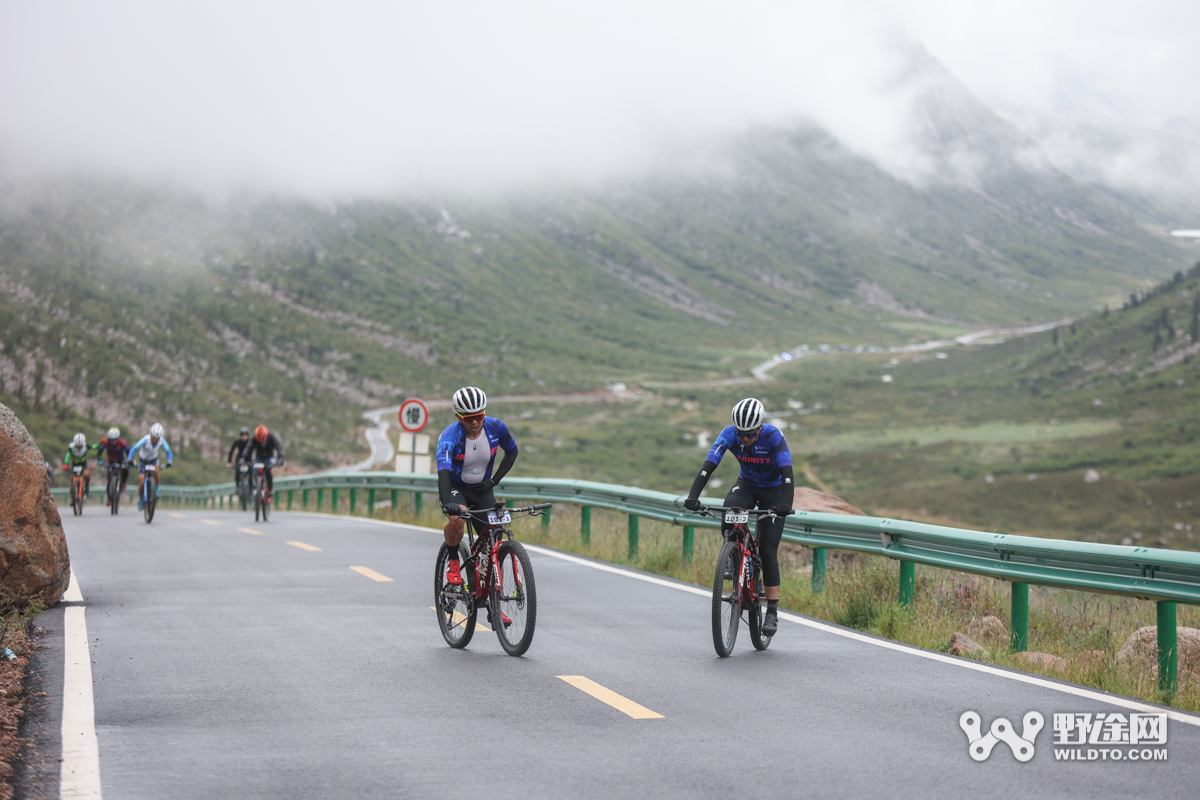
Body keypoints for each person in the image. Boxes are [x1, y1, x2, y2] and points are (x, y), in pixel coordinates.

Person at [684, 398, 794, 636]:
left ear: (760, 428)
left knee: (766, 550)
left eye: (751, 434)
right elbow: (708, 466)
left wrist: (786, 503)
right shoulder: (728, 434)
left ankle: (772, 610)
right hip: (746, 484)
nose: (745, 438)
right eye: (741, 433)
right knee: (728, 516)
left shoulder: (774, 436)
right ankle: (734, 558)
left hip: (774, 490)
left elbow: (787, 472)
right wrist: (693, 496)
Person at [436, 386, 519, 590]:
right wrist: (448, 503)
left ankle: (492, 598)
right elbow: (443, 473)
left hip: (483, 489)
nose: (474, 422)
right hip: (457, 488)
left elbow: (512, 452)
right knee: (457, 519)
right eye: (468, 418)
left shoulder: (496, 427)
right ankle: (454, 561)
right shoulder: (449, 437)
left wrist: (493, 481)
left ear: (484, 413)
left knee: (495, 539)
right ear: (458, 417)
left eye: (478, 416)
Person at [129, 423, 173, 510]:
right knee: (142, 481)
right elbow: (134, 448)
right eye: (153, 437)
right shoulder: (145, 439)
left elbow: (168, 451)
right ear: (151, 435)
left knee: (156, 471)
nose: (155, 440)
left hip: (153, 460)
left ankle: (156, 489)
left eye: (157, 438)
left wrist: (169, 461)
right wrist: (130, 459)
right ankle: (141, 500)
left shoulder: (162, 440)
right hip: (143, 461)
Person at [243, 425, 284, 500]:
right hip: (259, 458)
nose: (261, 441)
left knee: (268, 470)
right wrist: (243, 457)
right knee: (255, 471)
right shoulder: (254, 438)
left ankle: (270, 489)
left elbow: (278, 447)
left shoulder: (271, 437)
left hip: (269, 457)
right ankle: (257, 488)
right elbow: (248, 447)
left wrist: (280, 458)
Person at [97, 427, 131, 495]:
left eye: (115, 439)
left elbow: (128, 452)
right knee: (109, 479)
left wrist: (130, 460)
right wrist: (99, 460)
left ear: (118, 438)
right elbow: (99, 452)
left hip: (121, 460)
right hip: (111, 461)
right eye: (111, 439)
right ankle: (109, 498)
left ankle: (123, 483)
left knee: (126, 471)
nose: (113, 441)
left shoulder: (122, 442)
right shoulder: (106, 442)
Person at [61, 433, 94, 498]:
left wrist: (102, 444)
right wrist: (66, 464)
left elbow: (95, 446)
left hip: (84, 465)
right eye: (78, 446)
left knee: (86, 475)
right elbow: (67, 456)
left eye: (80, 446)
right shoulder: (71, 448)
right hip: (74, 466)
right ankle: (72, 498)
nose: (79, 447)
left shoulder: (86, 446)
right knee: (72, 480)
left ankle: (87, 486)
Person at [227, 427, 253, 492]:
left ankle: (250, 492)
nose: (244, 437)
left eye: (245, 435)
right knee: (238, 471)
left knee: (251, 474)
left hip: (248, 458)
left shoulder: (251, 442)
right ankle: (237, 487)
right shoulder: (237, 442)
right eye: (242, 435)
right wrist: (229, 462)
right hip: (240, 458)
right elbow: (231, 451)